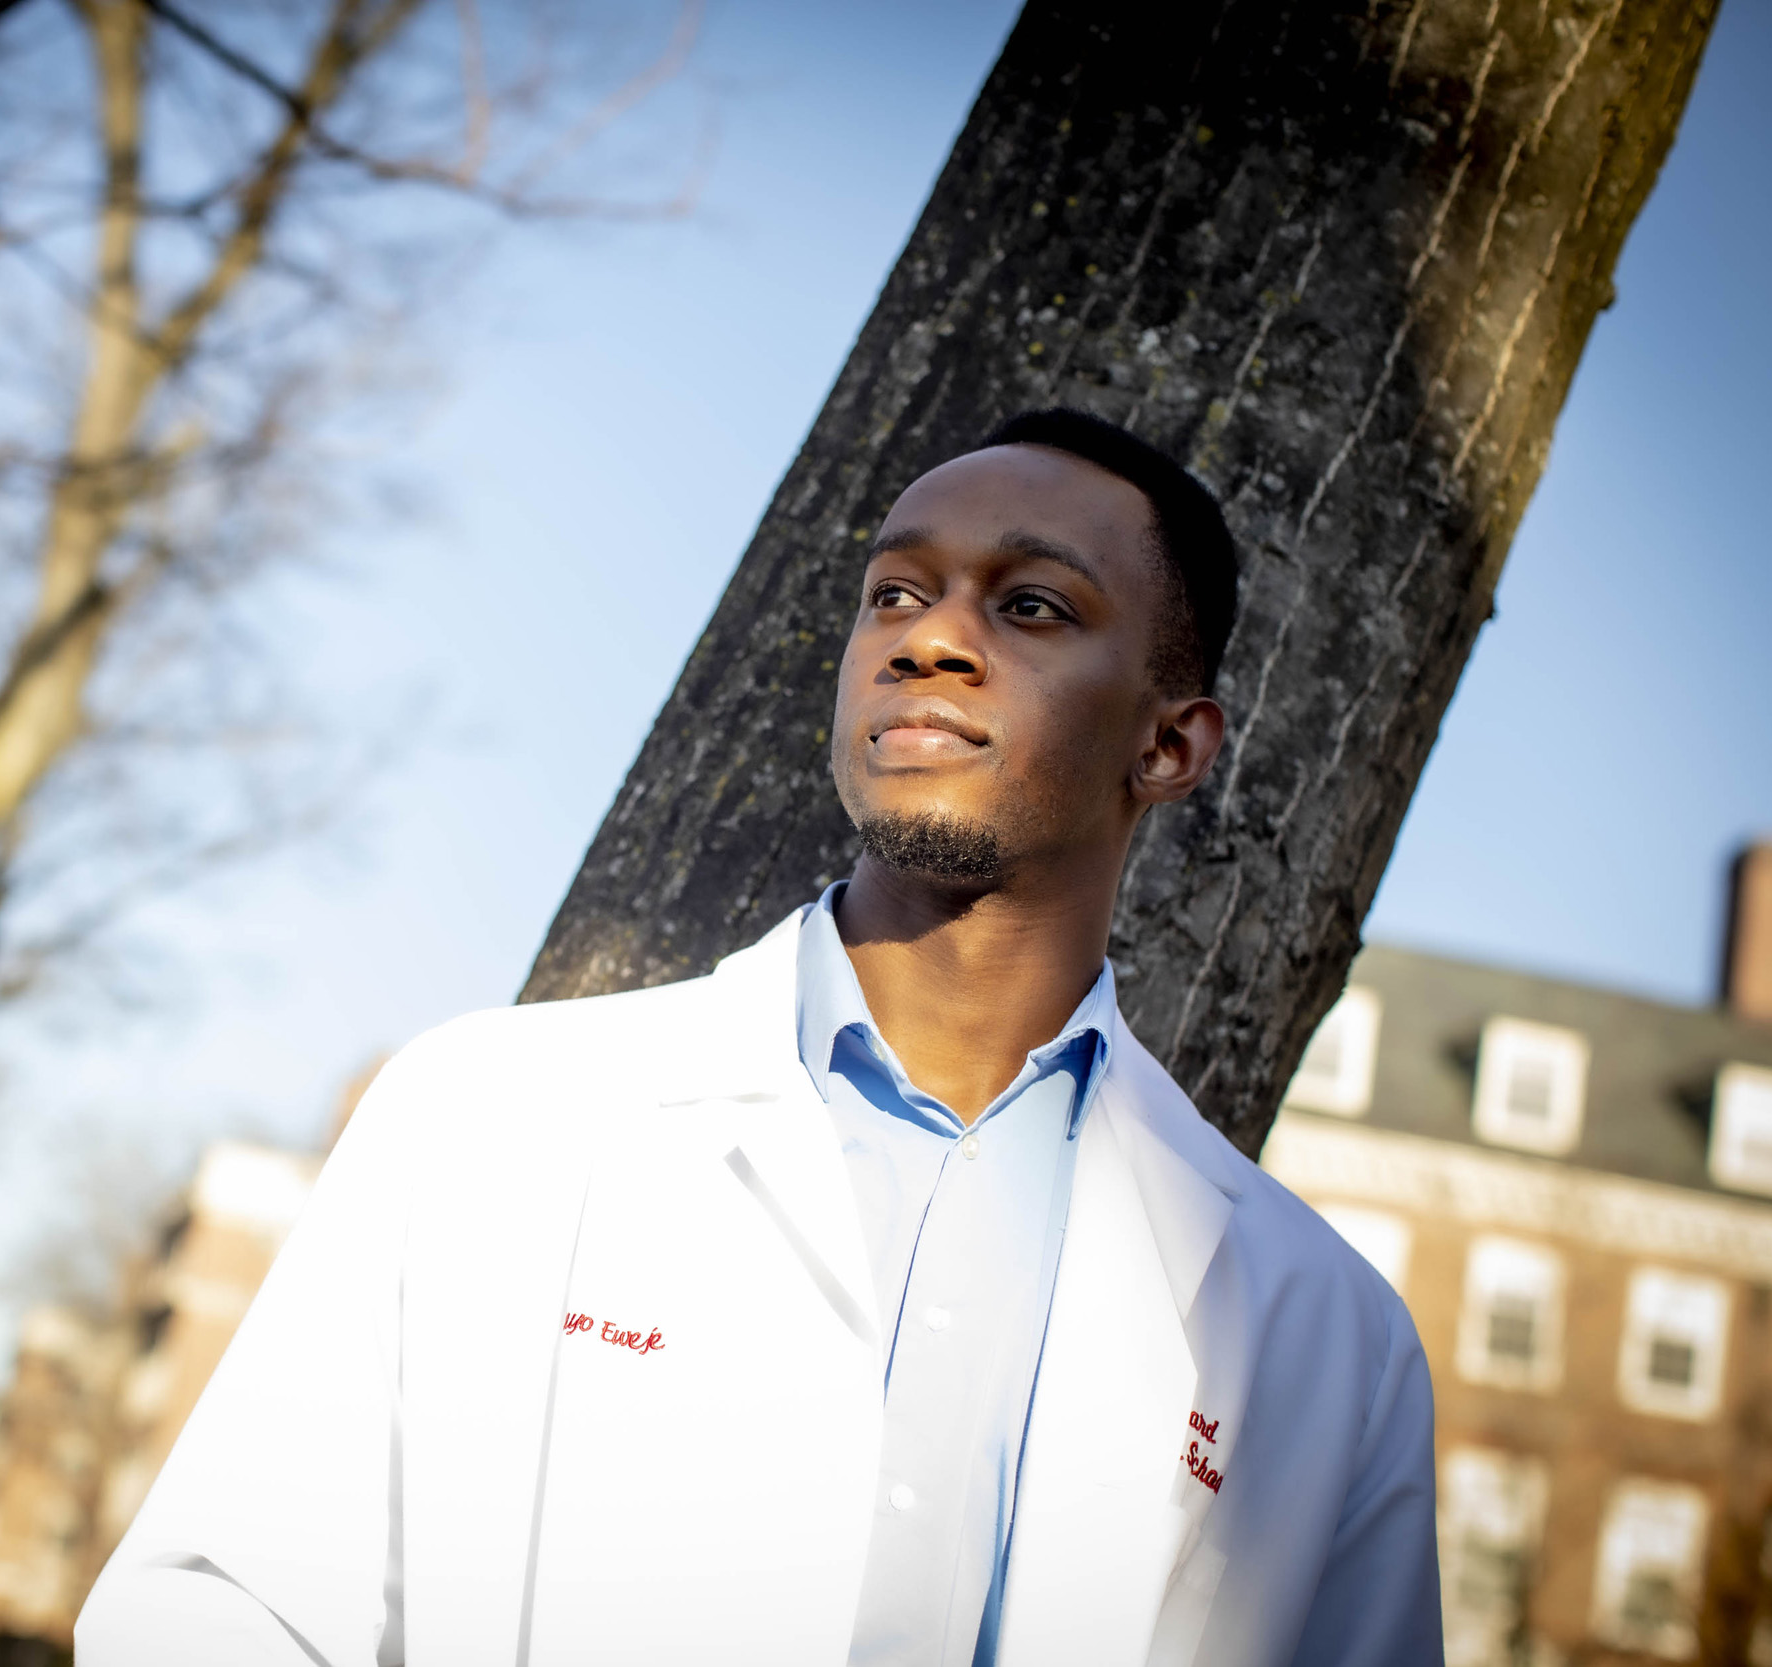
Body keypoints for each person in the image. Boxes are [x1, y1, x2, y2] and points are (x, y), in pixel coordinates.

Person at [75, 409, 1439, 1666]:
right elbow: (215, 1609)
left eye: (1031, 605)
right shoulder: (486, 1114)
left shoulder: (1325, 1339)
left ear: (1171, 747)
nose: (928, 637)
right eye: (896, 594)